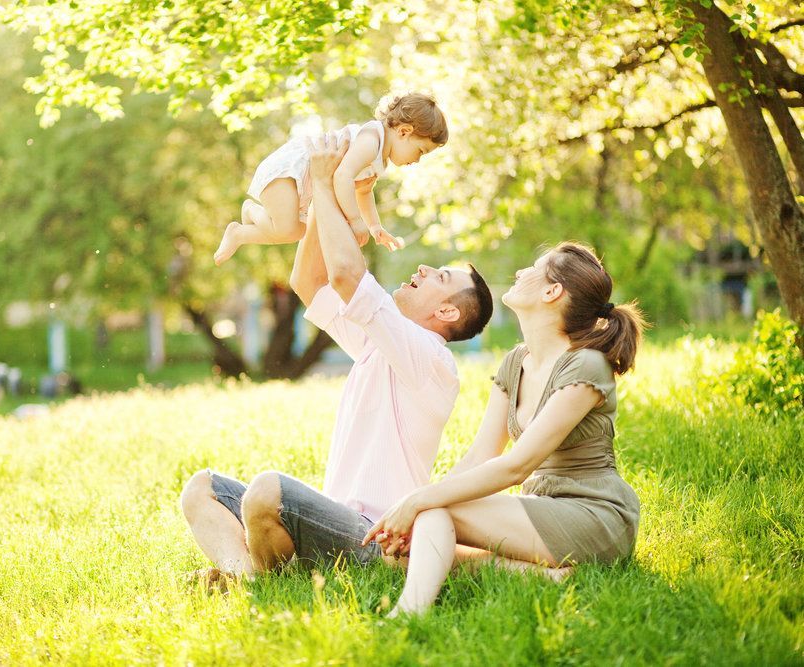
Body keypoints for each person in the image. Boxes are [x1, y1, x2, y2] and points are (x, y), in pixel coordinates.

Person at [181, 133, 492, 584]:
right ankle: (244, 579)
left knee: (268, 491)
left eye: (439, 275)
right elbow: (309, 282)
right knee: (201, 490)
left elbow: (346, 274)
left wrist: (328, 185)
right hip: (329, 523)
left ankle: (259, 581)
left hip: (372, 540)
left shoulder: (430, 359)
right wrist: (312, 200)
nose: (423, 269)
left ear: (447, 312)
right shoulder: (377, 344)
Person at [361, 242, 648, 616]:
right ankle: (543, 576)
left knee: (433, 517)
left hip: (593, 514)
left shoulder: (587, 366)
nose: (520, 273)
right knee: (411, 549)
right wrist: (421, 502)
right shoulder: (516, 362)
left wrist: (418, 501)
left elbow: (517, 466)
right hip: (541, 508)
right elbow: (480, 456)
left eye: (533, 268)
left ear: (552, 291)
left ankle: (408, 616)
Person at [213, 93, 447, 265]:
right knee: (285, 229)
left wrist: (374, 226)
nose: (417, 160)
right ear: (404, 132)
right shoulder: (371, 139)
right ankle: (250, 214)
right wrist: (355, 220)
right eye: (421, 151)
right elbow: (342, 176)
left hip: (305, 182)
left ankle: (242, 232)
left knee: (296, 231)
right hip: (293, 169)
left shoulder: (380, 159)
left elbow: (363, 191)